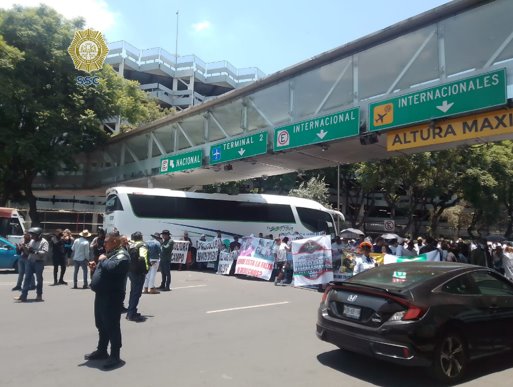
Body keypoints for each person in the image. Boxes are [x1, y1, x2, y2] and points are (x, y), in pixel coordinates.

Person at [85, 229, 129, 370]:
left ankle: (115, 355)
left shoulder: (122, 255)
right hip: (102, 295)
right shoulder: (110, 253)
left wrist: (102, 261)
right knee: (101, 324)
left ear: (115, 242)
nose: (104, 244)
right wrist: (94, 268)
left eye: (106, 242)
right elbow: (104, 270)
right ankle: (102, 350)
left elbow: (112, 267)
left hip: (112, 297)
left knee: (112, 326)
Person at [14, 227, 48, 302]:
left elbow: (44, 253)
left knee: (39, 279)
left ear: (39, 235)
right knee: (27, 279)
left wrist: (35, 251)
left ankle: (39, 295)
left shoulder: (44, 242)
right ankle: (23, 296)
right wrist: (24, 248)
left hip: (39, 262)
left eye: (33, 235)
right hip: (30, 261)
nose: (31, 236)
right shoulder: (32, 241)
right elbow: (28, 252)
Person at [126, 231, 148, 322]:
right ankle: (131, 314)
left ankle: (131, 311)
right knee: (136, 293)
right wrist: (145, 270)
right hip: (138, 272)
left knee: (133, 292)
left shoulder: (131, 245)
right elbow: (143, 258)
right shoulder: (142, 245)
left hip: (131, 271)